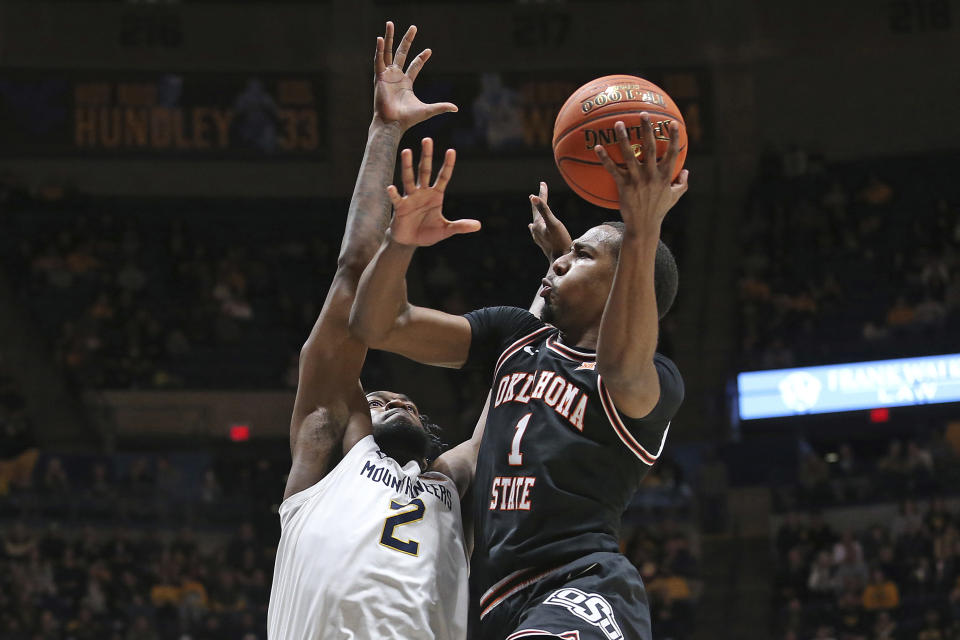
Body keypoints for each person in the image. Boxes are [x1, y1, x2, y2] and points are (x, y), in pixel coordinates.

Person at [350, 117, 688, 639]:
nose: (559, 261)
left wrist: (642, 228)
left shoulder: (655, 380)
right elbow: (379, 324)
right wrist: (401, 242)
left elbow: (621, 364)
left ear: (624, 280)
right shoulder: (518, 338)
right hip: (488, 598)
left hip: (581, 585)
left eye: (583, 254)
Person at [266, 23, 473, 640]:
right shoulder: (329, 451)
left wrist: (558, 289)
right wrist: (385, 132)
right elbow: (352, 275)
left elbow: (524, 382)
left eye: (401, 395)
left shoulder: (450, 485)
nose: (397, 396)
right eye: (378, 396)